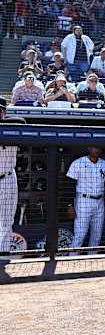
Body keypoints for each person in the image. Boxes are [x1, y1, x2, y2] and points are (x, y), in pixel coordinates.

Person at [67, 147, 105, 252]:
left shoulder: (104, 164)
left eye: (99, 147)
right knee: (80, 234)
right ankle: (71, 259)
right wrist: (70, 205)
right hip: (83, 200)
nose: (97, 150)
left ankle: (92, 258)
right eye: (94, 147)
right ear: (89, 148)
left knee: (97, 234)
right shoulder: (78, 163)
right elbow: (69, 185)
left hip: (99, 201)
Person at [0, 98, 26, 255]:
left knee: (6, 219)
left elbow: (21, 121)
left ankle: (2, 253)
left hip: (7, 178)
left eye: (0, 110)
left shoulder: (12, 126)